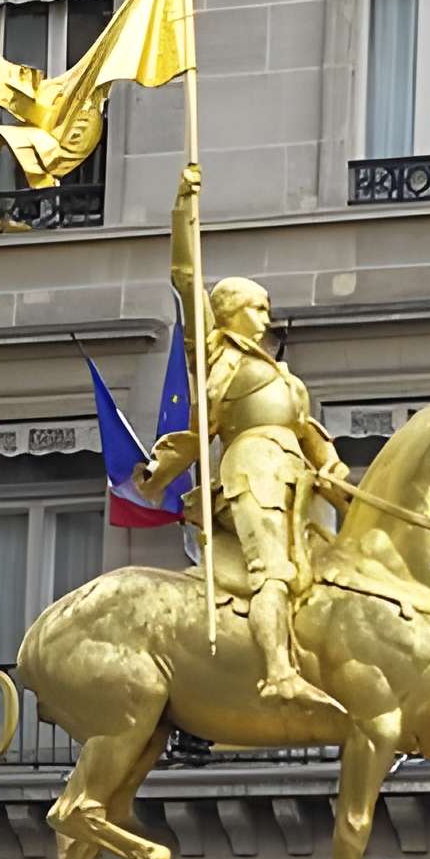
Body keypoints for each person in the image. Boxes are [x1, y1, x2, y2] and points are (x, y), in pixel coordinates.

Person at [145, 163, 350, 718]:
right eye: (257, 307)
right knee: (274, 572)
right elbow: (187, 281)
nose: (267, 316)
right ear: (230, 313)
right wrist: (184, 211)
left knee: (325, 572)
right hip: (252, 472)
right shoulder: (217, 356)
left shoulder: (287, 378)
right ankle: (278, 674)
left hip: (295, 479)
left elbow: (312, 437)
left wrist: (336, 472)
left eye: (265, 306)